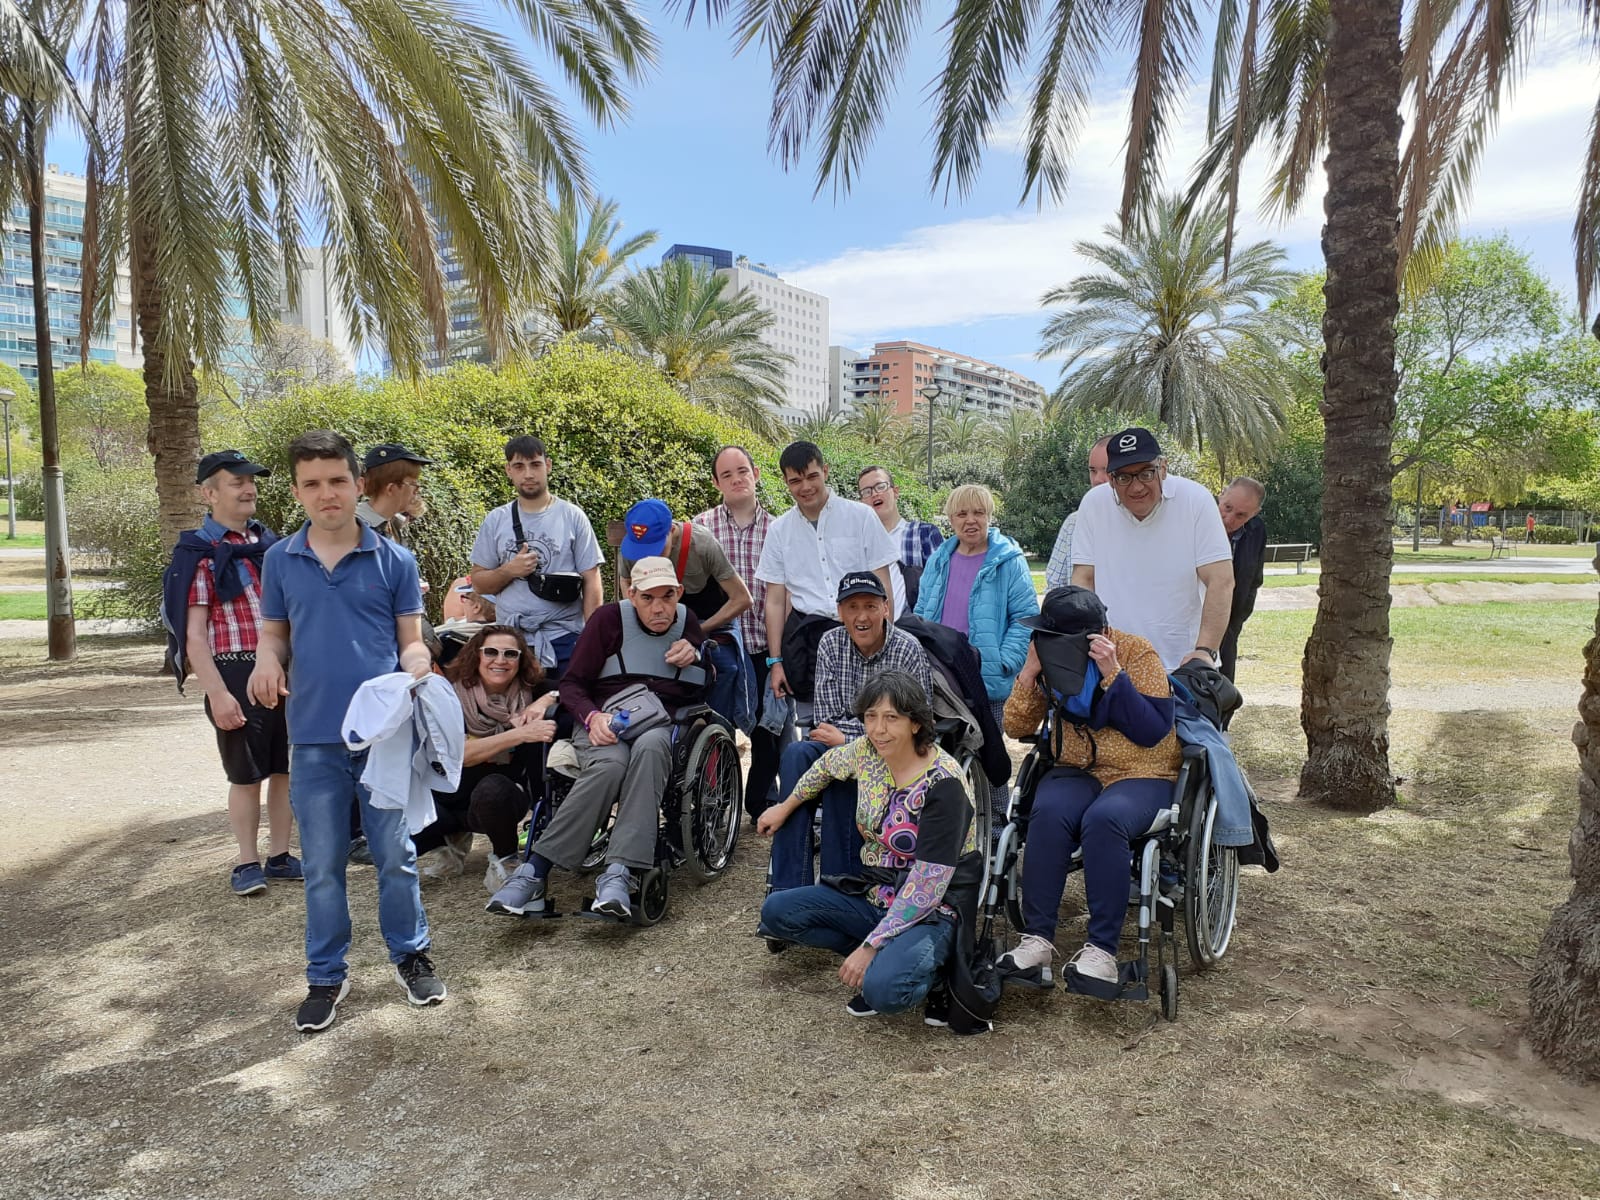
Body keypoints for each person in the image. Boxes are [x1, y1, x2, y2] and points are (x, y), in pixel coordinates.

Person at [248, 430, 444, 1033]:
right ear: (297, 491)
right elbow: (276, 632)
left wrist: (417, 669)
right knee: (325, 865)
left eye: (337, 481)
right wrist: (265, 658)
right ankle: (326, 975)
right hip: (310, 737)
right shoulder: (280, 559)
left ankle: (411, 957)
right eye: (312, 483)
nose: (326, 494)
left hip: (382, 736)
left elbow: (410, 641)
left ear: (357, 484)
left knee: (395, 856)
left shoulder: (396, 561)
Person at [487, 557, 709, 920]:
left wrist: (696, 655)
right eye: (648, 597)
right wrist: (592, 717)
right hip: (604, 720)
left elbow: (705, 684)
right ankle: (535, 871)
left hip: (658, 722)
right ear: (631, 594)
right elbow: (572, 684)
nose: (659, 607)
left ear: (679, 593)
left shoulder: (688, 623)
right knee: (609, 763)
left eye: (668, 596)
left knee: (653, 747)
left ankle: (619, 872)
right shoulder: (607, 620)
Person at [757, 671, 983, 1024]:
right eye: (870, 717)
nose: (878, 729)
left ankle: (932, 971)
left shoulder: (944, 782)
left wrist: (870, 946)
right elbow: (824, 767)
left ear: (915, 723)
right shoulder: (865, 752)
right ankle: (885, 956)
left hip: (933, 908)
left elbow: (927, 886)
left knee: (885, 992)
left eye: (892, 718)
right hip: (876, 893)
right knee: (777, 912)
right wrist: (784, 807)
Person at [997, 586, 1179, 995]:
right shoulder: (1049, 657)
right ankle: (1037, 940)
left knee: (1105, 820)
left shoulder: (1137, 652)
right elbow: (1015, 726)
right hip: (1076, 766)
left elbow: (1152, 731)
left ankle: (1101, 952)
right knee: (1048, 812)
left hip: (1141, 770)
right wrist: (1029, 674)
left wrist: (1113, 673)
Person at [163, 449, 297, 897]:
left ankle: (280, 855)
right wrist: (218, 694)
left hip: (283, 670)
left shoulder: (271, 547)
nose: (248, 487)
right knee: (245, 774)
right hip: (234, 672)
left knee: (285, 770)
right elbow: (194, 636)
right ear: (209, 492)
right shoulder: (199, 554)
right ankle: (246, 861)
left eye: (251, 479)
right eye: (236, 480)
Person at [764, 572, 934, 892]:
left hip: (892, 758)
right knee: (797, 754)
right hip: (838, 745)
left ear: (886, 608)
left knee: (845, 769)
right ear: (840, 613)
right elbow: (826, 717)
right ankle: (788, 889)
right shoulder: (830, 643)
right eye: (852, 607)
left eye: (870, 605)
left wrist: (849, 740)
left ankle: (838, 887)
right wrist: (853, 738)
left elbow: (916, 725)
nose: (861, 616)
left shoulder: (907, 650)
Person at [912, 483, 1037, 820]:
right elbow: (922, 613)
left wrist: (1006, 660)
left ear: (989, 516)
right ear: (950, 519)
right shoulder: (940, 559)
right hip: (941, 674)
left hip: (985, 675)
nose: (971, 520)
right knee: (939, 752)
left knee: (990, 752)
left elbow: (1025, 618)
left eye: (978, 512)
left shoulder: (1008, 560)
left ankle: (996, 824)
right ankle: (949, 824)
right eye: (962, 513)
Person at [1067, 427, 1235, 672]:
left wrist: (1204, 651)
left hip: (1182, 667)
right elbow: (1083, 578)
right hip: (1111, 665)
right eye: (1124, 477)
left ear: (1163, 468)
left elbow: (1221, 580)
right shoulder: (1093, 504)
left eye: (1146, 473)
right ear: (1111, 479)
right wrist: (1089, 643)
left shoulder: (1196, 500)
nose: (1136, 488)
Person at [407, 624, 557, 892]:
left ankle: (505, 858)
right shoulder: (449, 694)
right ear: (476, 655)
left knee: (494, 789)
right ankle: (447, 842)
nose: (500, 660)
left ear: (520, 660)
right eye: (491, 652)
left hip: (499, 799)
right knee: (402, 831)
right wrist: (521, 734)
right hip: (444, 798)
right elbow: (460, 756)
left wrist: (544, 701)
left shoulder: (530, 690)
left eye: (510, 654)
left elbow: (573, 687)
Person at [755, 441, 897, 709]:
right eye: (796, 481)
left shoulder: (861, 517)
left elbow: (883, 585)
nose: (805, 487)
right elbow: (774, 601)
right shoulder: (779, 531)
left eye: (812, 476)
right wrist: (775, 662)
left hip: (863, 635)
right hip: (808, 644)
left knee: (872, 716)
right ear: (786, 483)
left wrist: (887, 643)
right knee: (815, 728)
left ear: (825, 471)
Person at [694, 445, 783, 823]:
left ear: (756, 473)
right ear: (716, 482)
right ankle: (716, 802)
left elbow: (785, 592)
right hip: (719, 648)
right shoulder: (701, 528)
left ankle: (761, 800)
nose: (736, 479)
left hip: (765, 646)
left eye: (742, 471)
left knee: (769, 728)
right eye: (727, 474)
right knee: (716, 726)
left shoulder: (778, 528)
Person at [468, 435, 604, 676]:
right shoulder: (496, 520)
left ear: (548, 466)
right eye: (519, 466)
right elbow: (478, 582)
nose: (528, 474)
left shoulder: (572, 516)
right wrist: (510, 570)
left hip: (565, 638)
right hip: (510, 643)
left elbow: (591, 580)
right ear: (508, 470)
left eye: (535, 465)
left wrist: (592, 639)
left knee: (566, 709)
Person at [619, 496, 752, 727]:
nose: (647, 557)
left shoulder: (702, 544)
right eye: (641, 551)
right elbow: (627, 585)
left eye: (656, 548)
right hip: (658, 621)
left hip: (707, 620)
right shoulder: (634, 546)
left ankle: (716, 732)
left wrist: (695, 632)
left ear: (672, 530)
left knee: (725, 668)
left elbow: (742, 599)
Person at [857, 464, 942, 613]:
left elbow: (941, 586)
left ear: (895, 492)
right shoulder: (857, 544)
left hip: (917, 629)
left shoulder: (923, 534)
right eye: (867, 491)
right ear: (861, 501)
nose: (874, 494)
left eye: (881, 486)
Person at [1043, 436, 1112, 590]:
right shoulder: (1073, 523)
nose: (1098, 479)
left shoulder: (1139, 522)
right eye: (1093, 471)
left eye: (1107, 470)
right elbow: (1055, 585)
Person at [1217, 477, 1267, 683]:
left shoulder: (1257, 530)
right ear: (1221, 495)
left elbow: (1254, 578)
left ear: (1254, 514)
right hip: (1188, 621)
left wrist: (1237, 621)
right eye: (1227, 508)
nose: (1229, 519)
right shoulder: (1195, 518)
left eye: (1241, 515)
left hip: (1229, 625)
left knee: (1223, 689)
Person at [357, 442, 433, 548]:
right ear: (391, 488)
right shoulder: (355, 530)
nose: (417, 491)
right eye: (413, 484)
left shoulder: (389, 525)